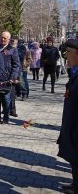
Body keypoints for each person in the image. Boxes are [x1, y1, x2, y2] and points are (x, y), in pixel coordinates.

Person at [57, 38, 78, 194]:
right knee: (73, 156)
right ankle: (75, 184)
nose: (65, 56)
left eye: (68, 53)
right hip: (71, 123)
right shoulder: (75, 71)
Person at [0, 31, 20, 124]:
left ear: (9, 39)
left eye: (5, 38)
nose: (3, 39)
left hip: (7, 79)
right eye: (2, 37)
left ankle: (6, 116)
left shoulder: (12, 50)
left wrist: (13, 77)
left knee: (6, 99)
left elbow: (16, 65)